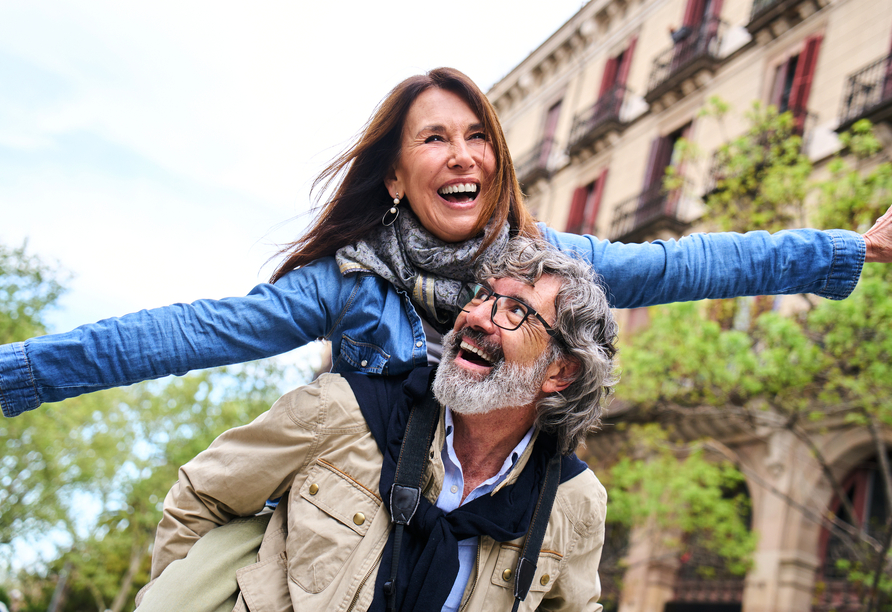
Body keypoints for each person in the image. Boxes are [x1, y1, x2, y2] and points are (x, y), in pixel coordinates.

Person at [1, 67, 890, 419]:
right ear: (396, 178)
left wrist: (853, 247)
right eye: (432, 139)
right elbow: (183, 333)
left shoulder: (554, 262)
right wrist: (18, 377)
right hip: (361, 536)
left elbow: (694, 262)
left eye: (476, 137)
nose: (461, 154)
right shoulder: (348, 285)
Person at [137, 237, 618, 612]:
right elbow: (202, 496)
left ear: (561, 372)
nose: (477, 317)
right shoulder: (340, 410)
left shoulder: (575, 502)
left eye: (518, 311)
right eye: (482, 296)